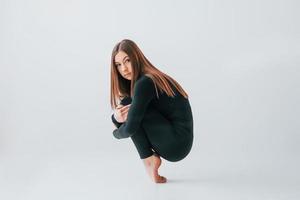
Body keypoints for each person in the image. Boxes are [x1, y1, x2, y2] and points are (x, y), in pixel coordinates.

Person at [110, 39, 194, 183]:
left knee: (130, 108)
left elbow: (130, 128)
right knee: (128, 104)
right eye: (118, 65)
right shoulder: (147, 79)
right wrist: (116, 118)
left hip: (176, 143)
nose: (124, 69)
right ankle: (149, 161)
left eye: (127, 60)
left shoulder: (145, 83)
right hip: (177, 141)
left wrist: (115, 131)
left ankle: (149, 161)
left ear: (137, 58)